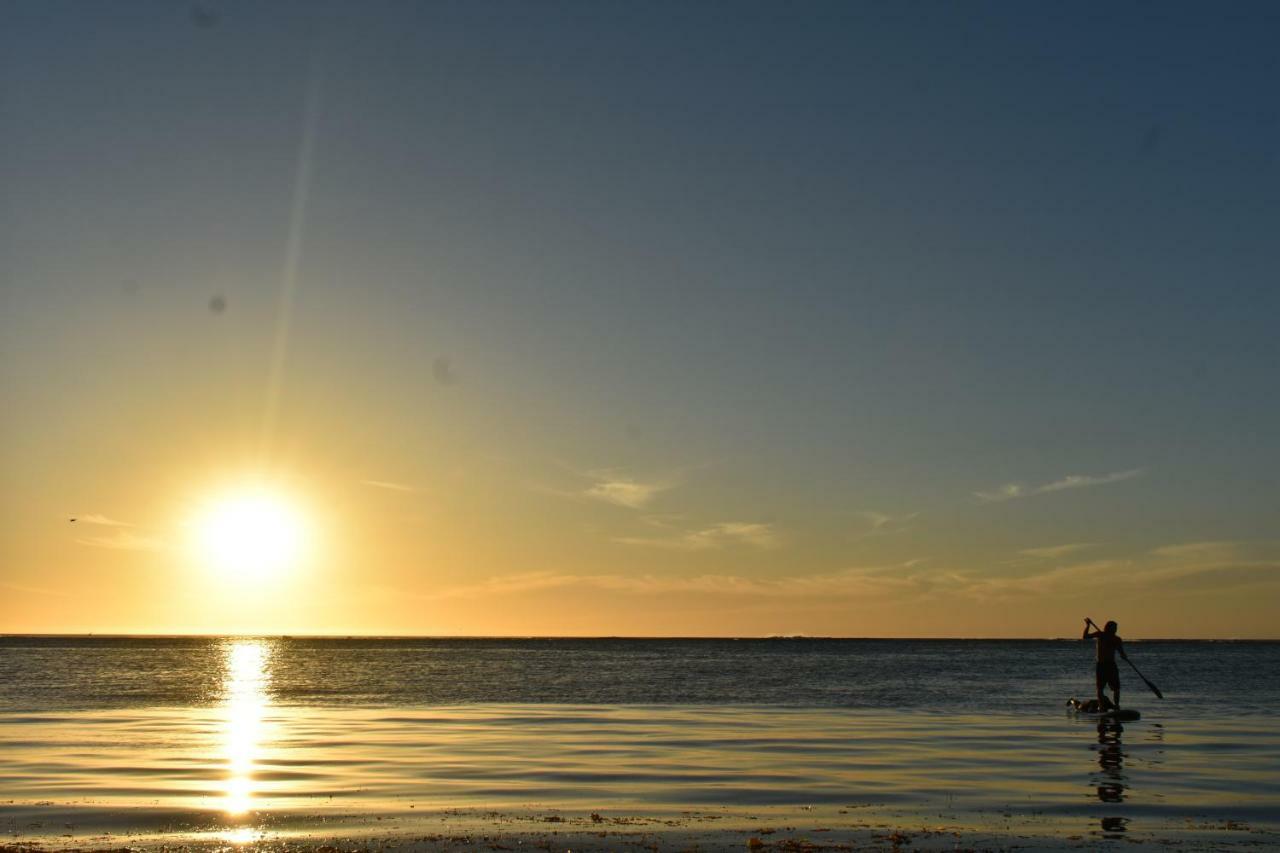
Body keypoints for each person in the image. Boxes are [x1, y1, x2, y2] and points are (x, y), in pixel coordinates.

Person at [1083, 618, 1128, 708]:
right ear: (1108, 628)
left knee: (1117, 688)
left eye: (1116, 628)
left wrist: (1124, 656)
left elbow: (1121, 652)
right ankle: (1101, 705)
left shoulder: (1117, 639)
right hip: (1101, 665)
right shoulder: (1100, 635)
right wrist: (1088, 625)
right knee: (1100, 688)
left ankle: (1117, 705)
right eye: (1114, 628)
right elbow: (1085, 636)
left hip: (1111, 665)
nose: (1116, 629)